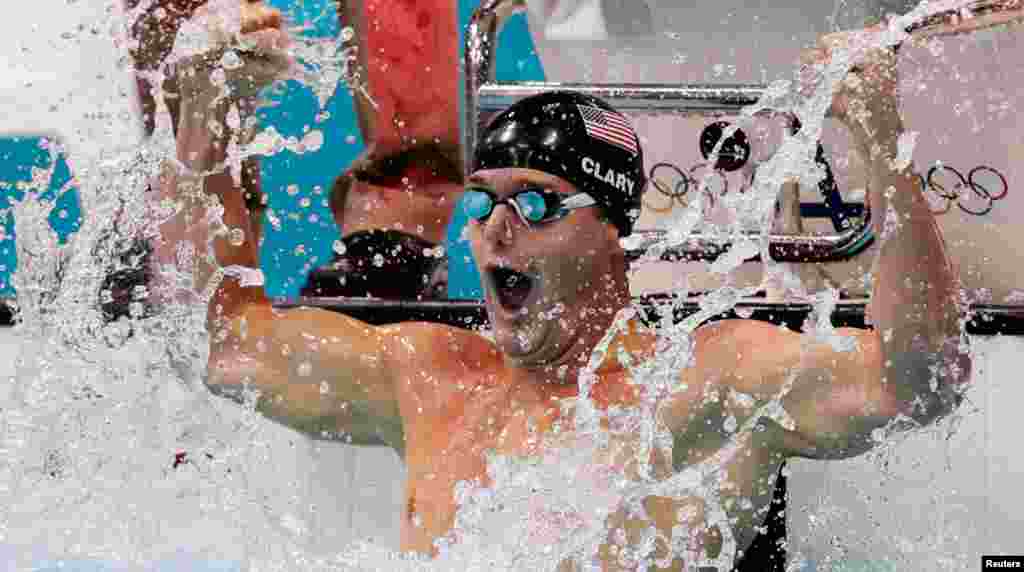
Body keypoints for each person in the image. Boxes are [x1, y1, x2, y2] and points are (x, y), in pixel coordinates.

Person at [154, 2, 970, 569]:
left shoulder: (700, 384)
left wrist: (881, 145)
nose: (494, 229)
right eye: (481, 201)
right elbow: (221, 343)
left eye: (537, 203)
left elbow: (916, 381)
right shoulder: (432, 379)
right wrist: (201, 120)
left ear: (615, 234)